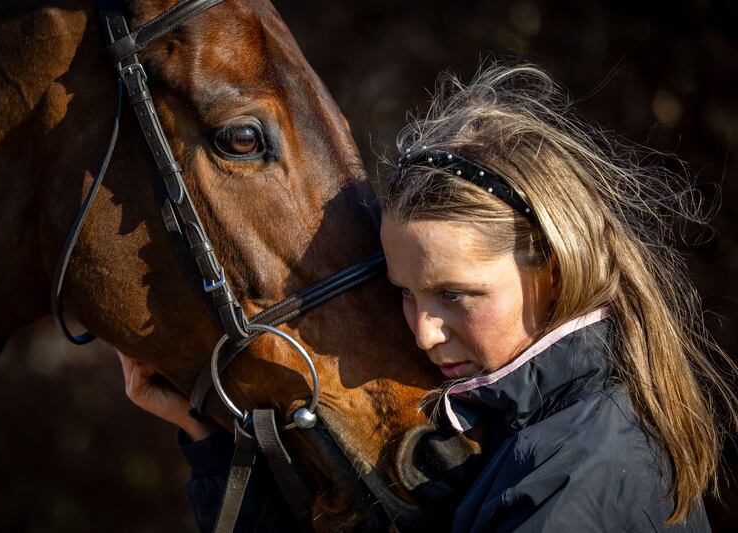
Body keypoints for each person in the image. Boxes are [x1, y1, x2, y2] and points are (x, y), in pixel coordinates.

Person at [117, 63, 737, 531]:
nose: (423, 331)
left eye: (456, 295)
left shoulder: (576, 476)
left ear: (553, 266)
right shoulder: (506, 430)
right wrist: (206, 437)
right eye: (406, 295)